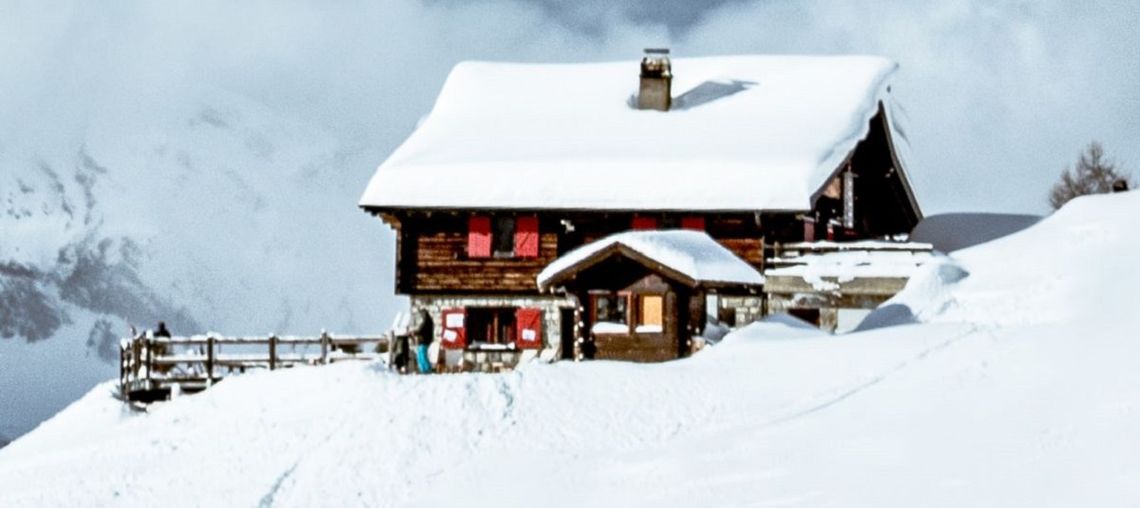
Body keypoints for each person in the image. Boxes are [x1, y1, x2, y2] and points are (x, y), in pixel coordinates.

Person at [413, 309, 434, 374]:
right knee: (420, 355)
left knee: (423, 356)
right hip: (424, 341)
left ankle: (427, 369)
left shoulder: (426, 321)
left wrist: (415, 332)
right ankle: (423, 369)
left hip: (425, 341)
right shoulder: (428, 321)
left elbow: (421, 330)